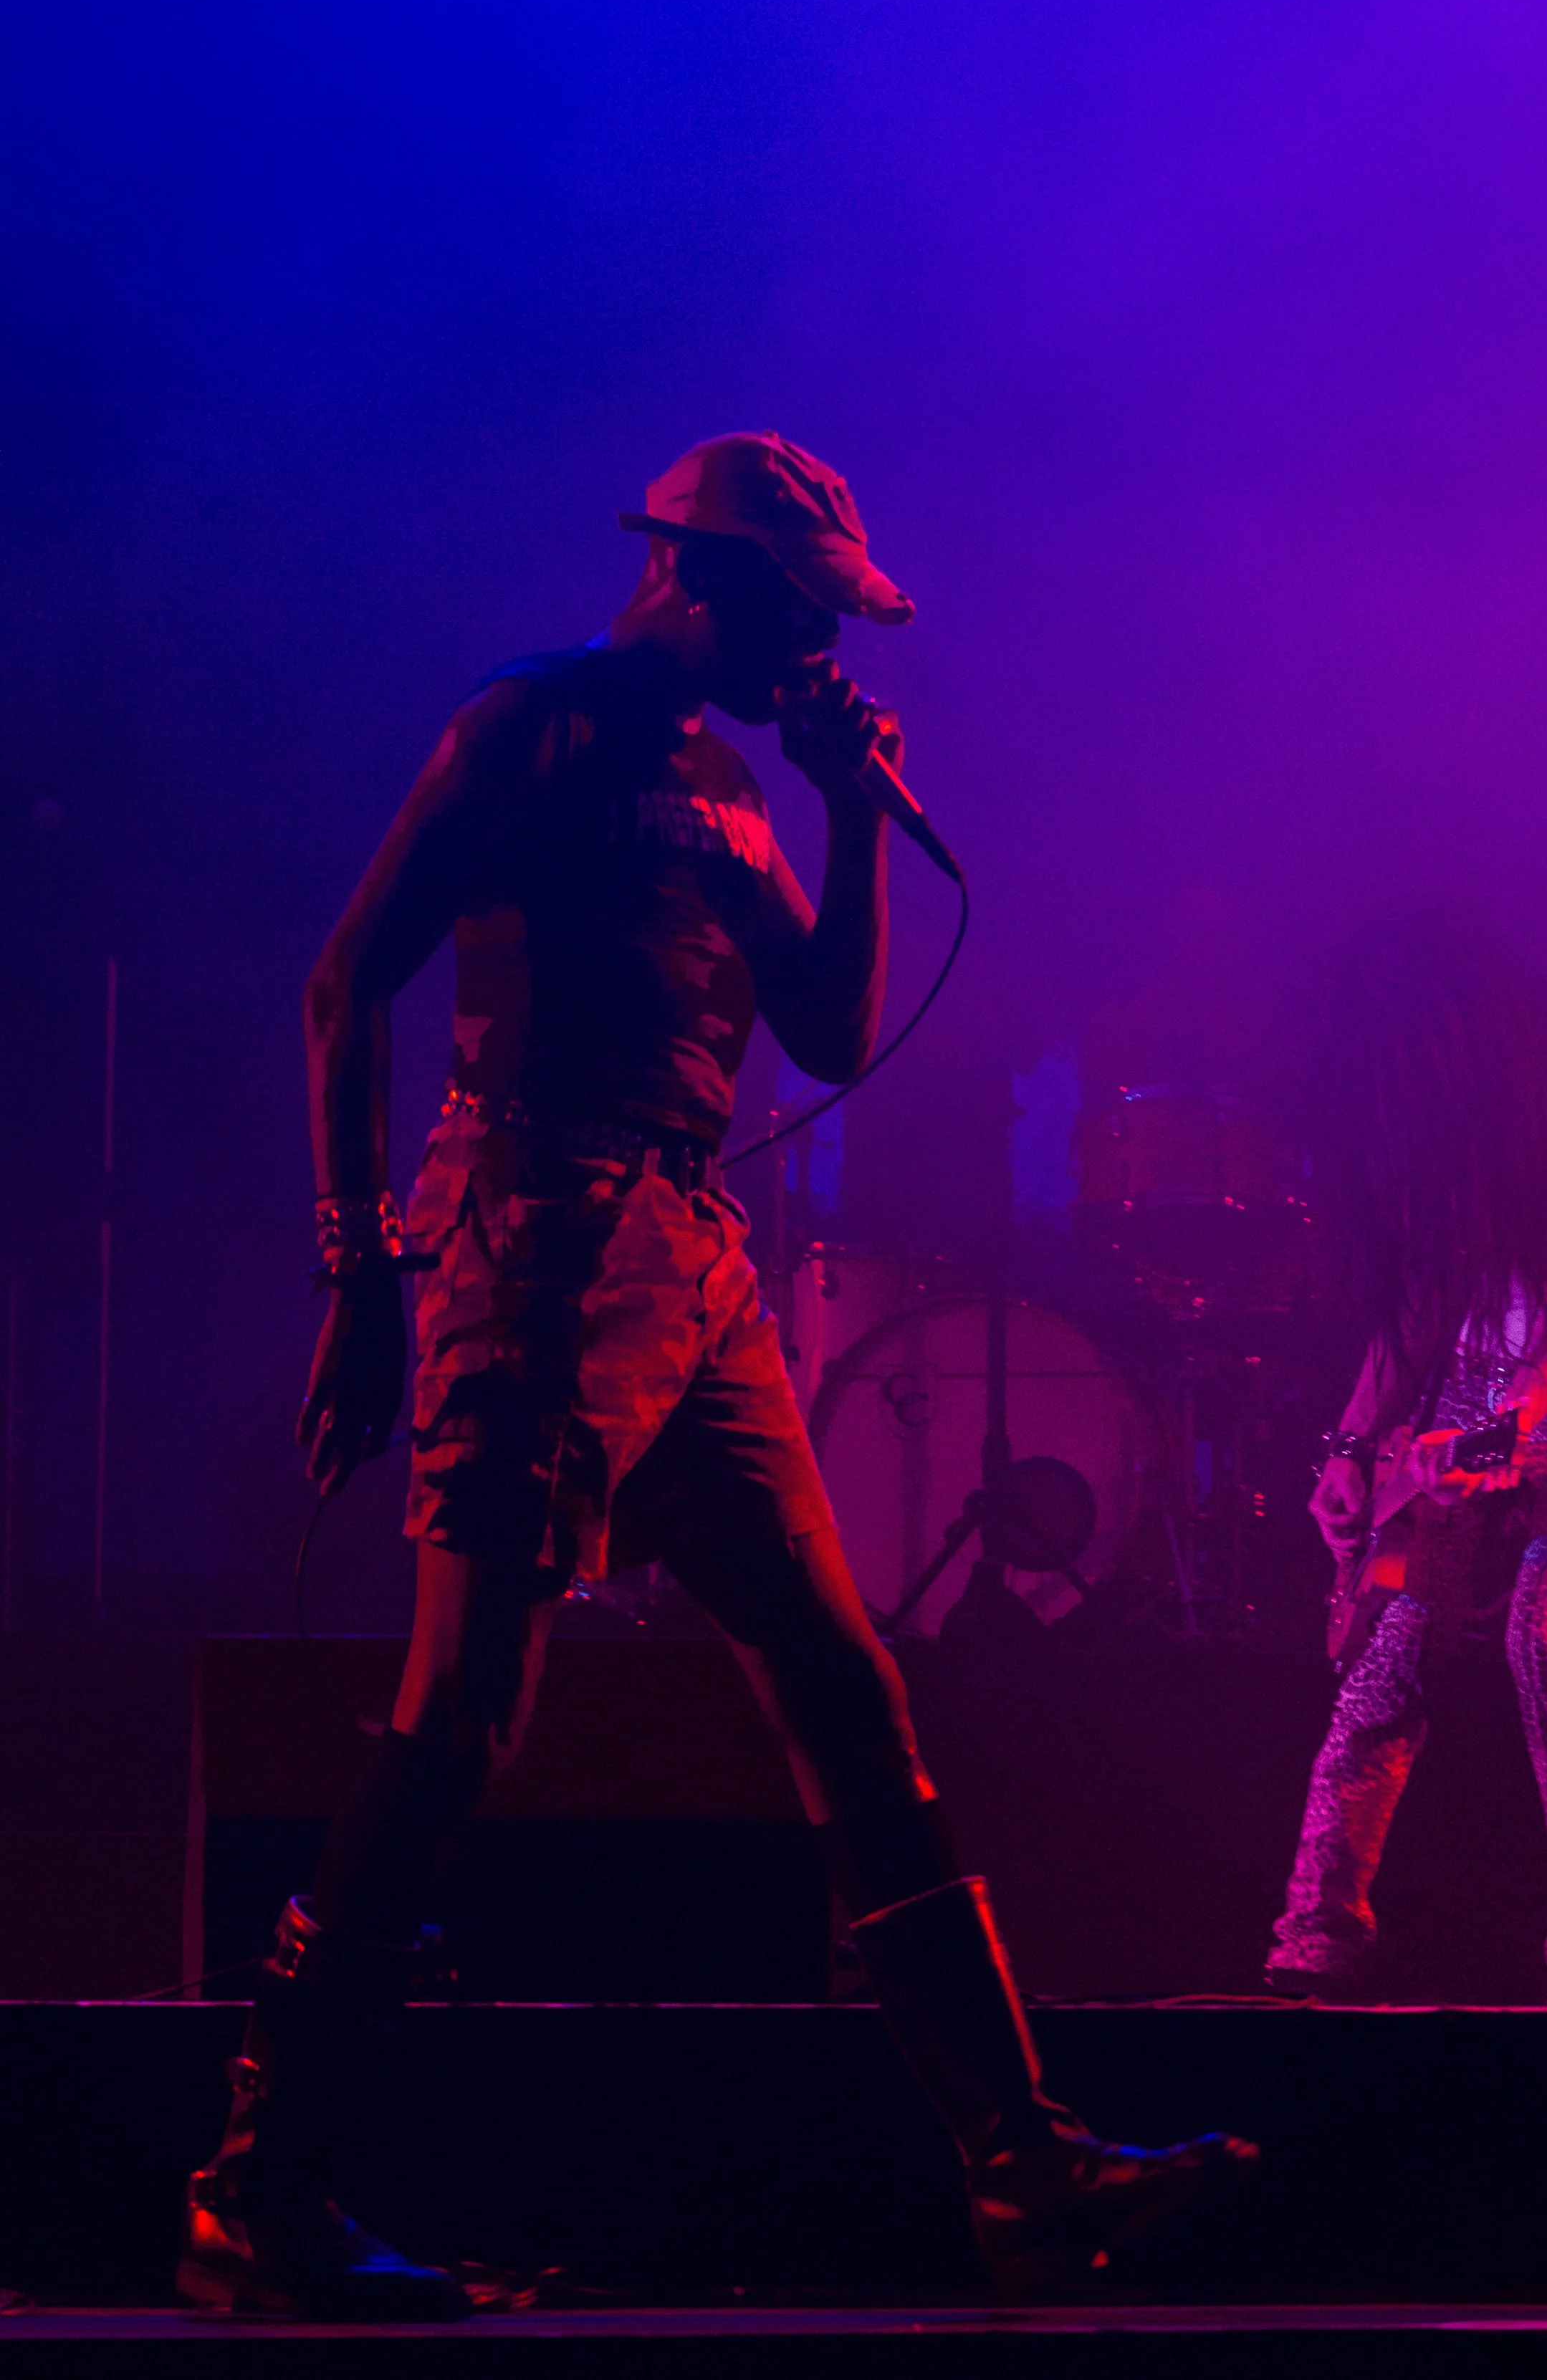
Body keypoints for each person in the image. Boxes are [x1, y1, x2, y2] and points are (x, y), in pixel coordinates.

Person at [179, 431, 1255, 2318]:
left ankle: (1020, 2168)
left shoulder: (739, 790)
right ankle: (258, 2191)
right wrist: (359, 1278)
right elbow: (348, 982)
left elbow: (833, 1029)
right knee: (462, 1720)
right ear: (704, 576)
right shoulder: (539, 724)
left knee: (845, 1682)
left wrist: (847, 812)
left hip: (692, 1262)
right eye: (806, 613)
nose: (821, 651)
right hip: (533, 1225)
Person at [1264, 899, 1547, 2010]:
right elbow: (1410, 1322)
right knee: (1384, 1663)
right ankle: (1313, 1942)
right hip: (1462, 1420)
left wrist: (1496, 1434)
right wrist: (1347, 1452)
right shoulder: (1445, 1142)